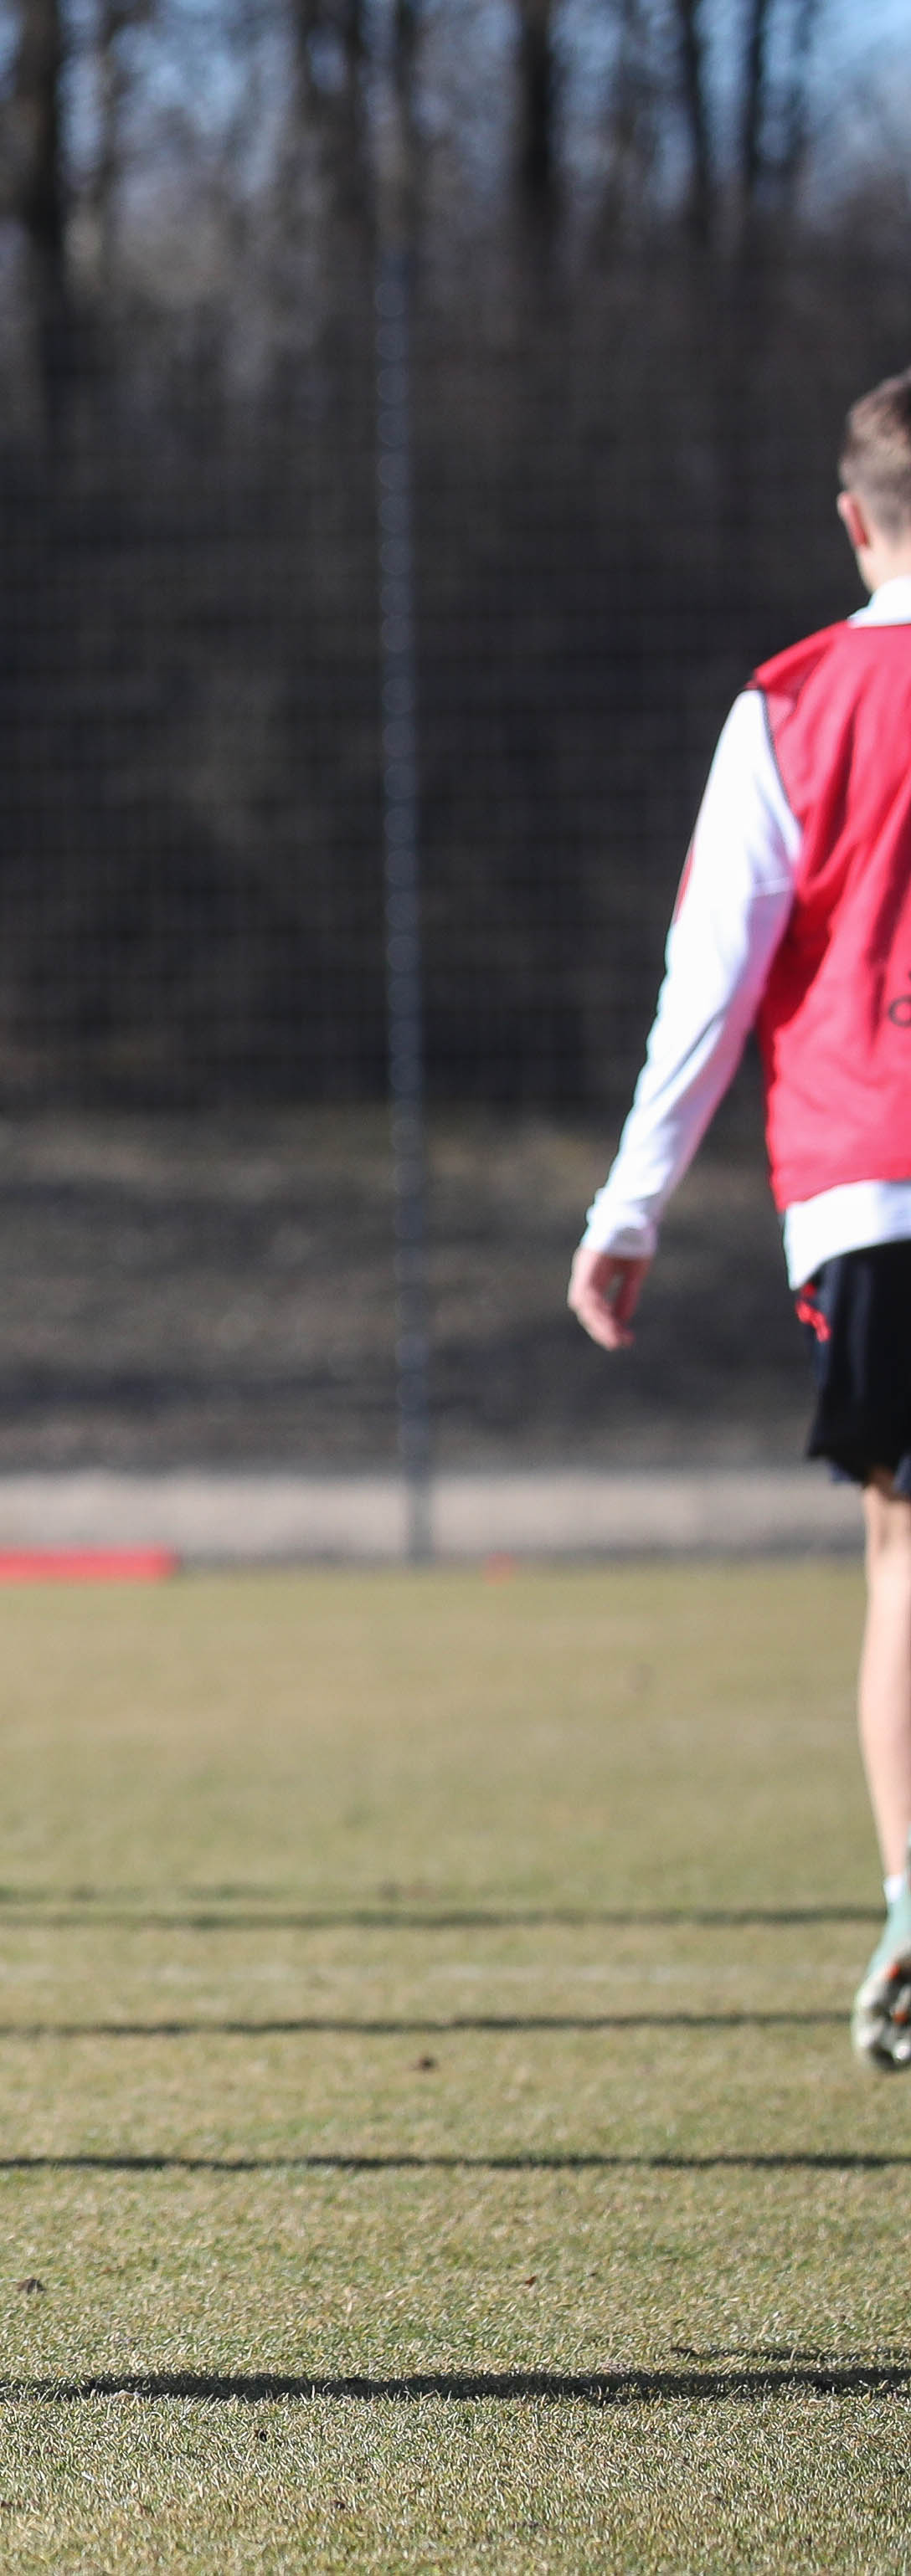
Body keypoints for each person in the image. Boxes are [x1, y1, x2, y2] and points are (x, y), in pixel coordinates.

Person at [574, 365, 911, 2071]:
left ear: (855, 523)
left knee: (905, 1550)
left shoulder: (788, 707)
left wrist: (632, 1199)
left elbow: (706, 985)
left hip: (870, 1183)